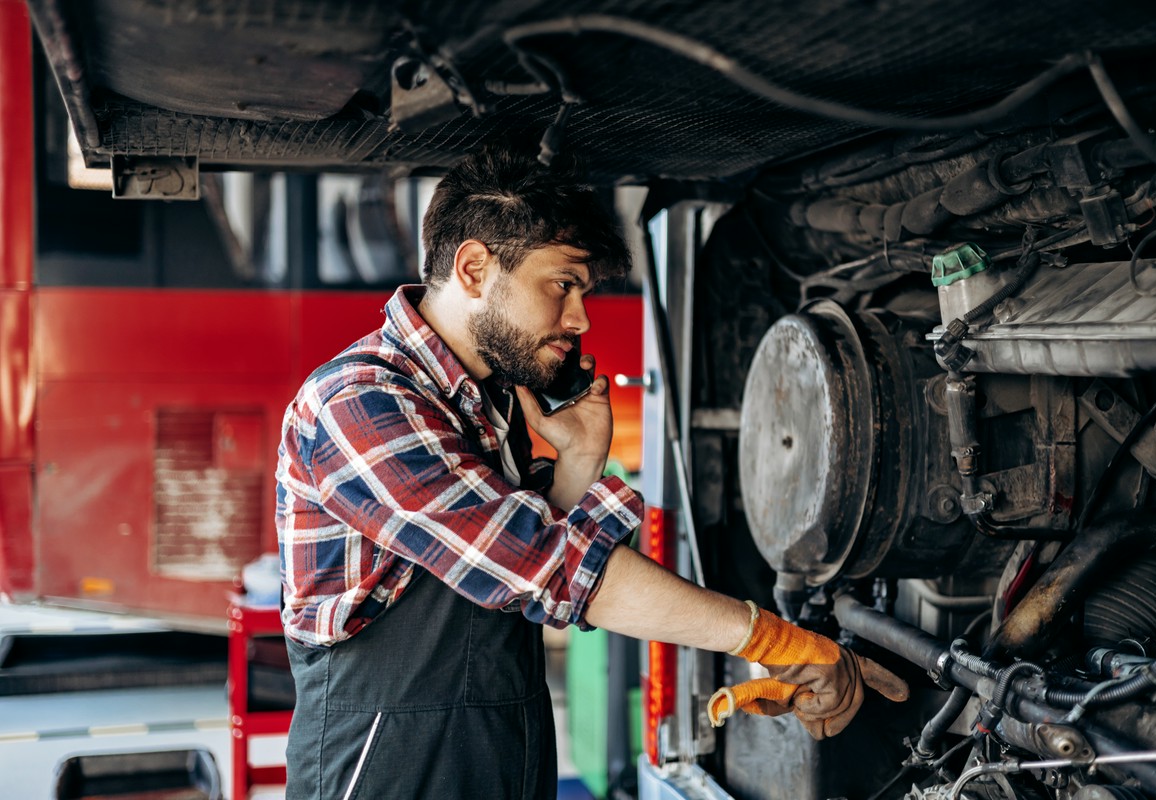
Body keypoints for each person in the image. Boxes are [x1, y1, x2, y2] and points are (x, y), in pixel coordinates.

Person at [275, 143, 908, 799]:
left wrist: (576, 460)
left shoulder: (486, 403)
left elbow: (511, 594)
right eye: (562, 284)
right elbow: (550, 568)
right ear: (473, 269)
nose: (579, 318)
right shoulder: (361, 406)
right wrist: (779, 643)